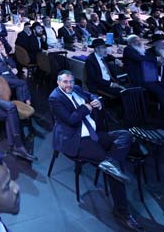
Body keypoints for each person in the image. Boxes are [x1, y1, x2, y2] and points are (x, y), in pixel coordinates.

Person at [49, 71, 143, 232]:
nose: (69, 85)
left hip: (95, 135)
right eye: (65, 82)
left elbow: (90, 95)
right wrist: (86, 107)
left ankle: (111, 163)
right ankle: (122, 212)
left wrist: (96, 100)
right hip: (77, 140)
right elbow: (71, 120)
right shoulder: (54, 98)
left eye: (71, 81)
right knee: (115, 172)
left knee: (124, 135)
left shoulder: (76, 89)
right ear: (58, 83)